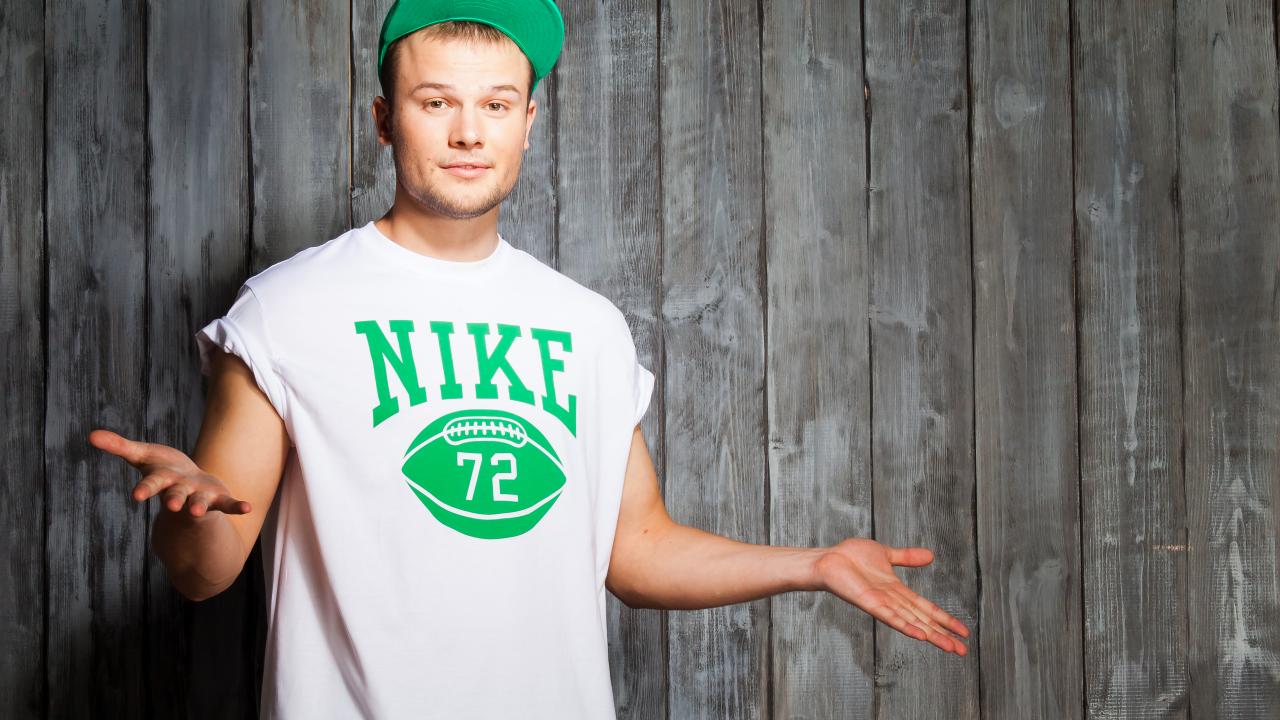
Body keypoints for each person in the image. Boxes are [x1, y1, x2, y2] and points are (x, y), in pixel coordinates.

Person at [89, 1, 970, 717]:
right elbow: (204, 573)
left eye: (496, 105)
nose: (468, 133)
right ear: (385, 120)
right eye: (436, 102)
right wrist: (189, 511)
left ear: (527, 122)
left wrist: (811, 564)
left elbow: (637, 550)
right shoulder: (288, 309)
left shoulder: (587, 327)